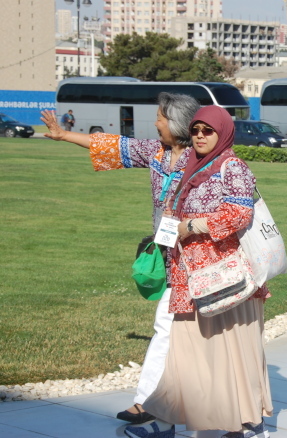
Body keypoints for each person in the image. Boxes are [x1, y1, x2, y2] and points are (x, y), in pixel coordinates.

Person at [40, 92, 200, 425]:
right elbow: (114, 146)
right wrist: (64, 134)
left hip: (199, 259)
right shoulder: (156, 153)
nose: (155, 123)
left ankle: (172, 403)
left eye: (160, 117)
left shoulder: (201, 158)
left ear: (177, 123)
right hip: (170, 256)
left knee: (179, 330)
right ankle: (153, 401)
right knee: (169, 328)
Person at [132, 105, 273, 438]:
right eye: (195, 130)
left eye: (207, 130)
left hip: (224, 278)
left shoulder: (232, 166)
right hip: (187, 276)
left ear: (222, 132)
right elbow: (173, 210)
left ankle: (238, 421)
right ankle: (166, 421)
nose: (199, 136)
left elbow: (238, 214)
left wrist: (192, 225)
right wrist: (167, 235)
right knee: (184, 354)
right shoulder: (188, 166)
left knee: (228, 355)